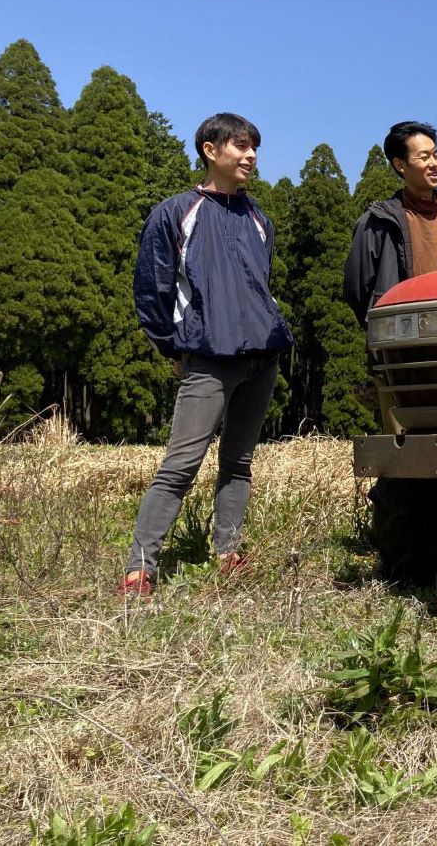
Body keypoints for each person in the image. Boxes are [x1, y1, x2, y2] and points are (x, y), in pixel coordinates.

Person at [121, 113, 293, 595]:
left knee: (238, 461)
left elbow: (260, 286)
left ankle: (228, 552)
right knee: (180, 464)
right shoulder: (176, 213)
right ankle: (140, 566)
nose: (250, 155)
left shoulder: (259, 217)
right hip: (208, 358)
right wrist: (170, 347)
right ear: (209, 150)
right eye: (240, 146)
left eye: (254, 147)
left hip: (263, 356)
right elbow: (151, 289)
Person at [343, 120, 437, 325]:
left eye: (436, 155)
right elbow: (356, 288)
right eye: (424, 157)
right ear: (400, 164)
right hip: (400, 344)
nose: (434, 164)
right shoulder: (377, 221)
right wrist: (383, 327)